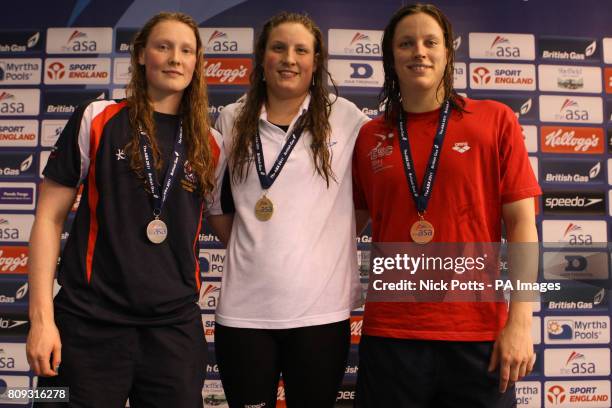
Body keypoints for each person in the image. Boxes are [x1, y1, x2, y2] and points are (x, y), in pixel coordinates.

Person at [26, 12, 221, 407]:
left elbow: (231, 225)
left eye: (186, 50)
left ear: (197, 63)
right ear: (140, 55)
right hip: (86, 326)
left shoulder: (212, 142)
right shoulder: (95, 118)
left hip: (173, 332)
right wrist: (42, 321)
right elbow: (47, 219)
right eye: (163, 46)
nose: (175, 58)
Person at [352, 4, 541, 407]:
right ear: (391, 56)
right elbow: (344, 225)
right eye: (406, 43)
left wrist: (521, 322)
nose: (418, 51)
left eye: (429, 42)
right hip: (392, 338)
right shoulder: (370, 136)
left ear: (447, 54)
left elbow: (523, 225)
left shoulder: (495, 120)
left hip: (479, 337)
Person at [206, 12, 369, 408]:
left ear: (316, 62)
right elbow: (218, 208)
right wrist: (256, 244)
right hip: (244, 315)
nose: (289, 59)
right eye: (278, 48)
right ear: (262, 57)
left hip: (321, 314)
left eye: (301, 50)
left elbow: (364, 204)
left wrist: (330, 234)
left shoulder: (347, 119)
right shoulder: (231, 119)